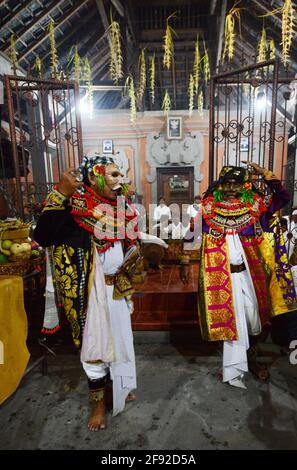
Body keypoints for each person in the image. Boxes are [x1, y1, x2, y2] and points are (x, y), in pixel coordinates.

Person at [34, 155, 141, 431]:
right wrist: (60, 192)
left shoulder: (121, 206)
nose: (121, 180)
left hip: (117, 289)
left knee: (120, 342)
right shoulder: (73, 208)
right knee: (95, 348)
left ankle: (119, 387)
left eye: (121, 175)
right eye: (114, 175)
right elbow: (43, 235)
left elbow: (131, 240)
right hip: (90, 295)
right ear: (94, 177)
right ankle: (97, 403)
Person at [183, 163, 297, 388]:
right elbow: (191, 234)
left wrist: (263, 174)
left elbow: (283, 196)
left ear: (245, 184)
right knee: (229, 320)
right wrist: (185, 262)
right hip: (221, 276)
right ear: (221, 185)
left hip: (250, 275)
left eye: (237, 183)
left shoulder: (255, 207)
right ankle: (232, 367)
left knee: (254, 319)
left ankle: (250, 358)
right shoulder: (208, 209)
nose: (232, 187)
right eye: (228, 183)